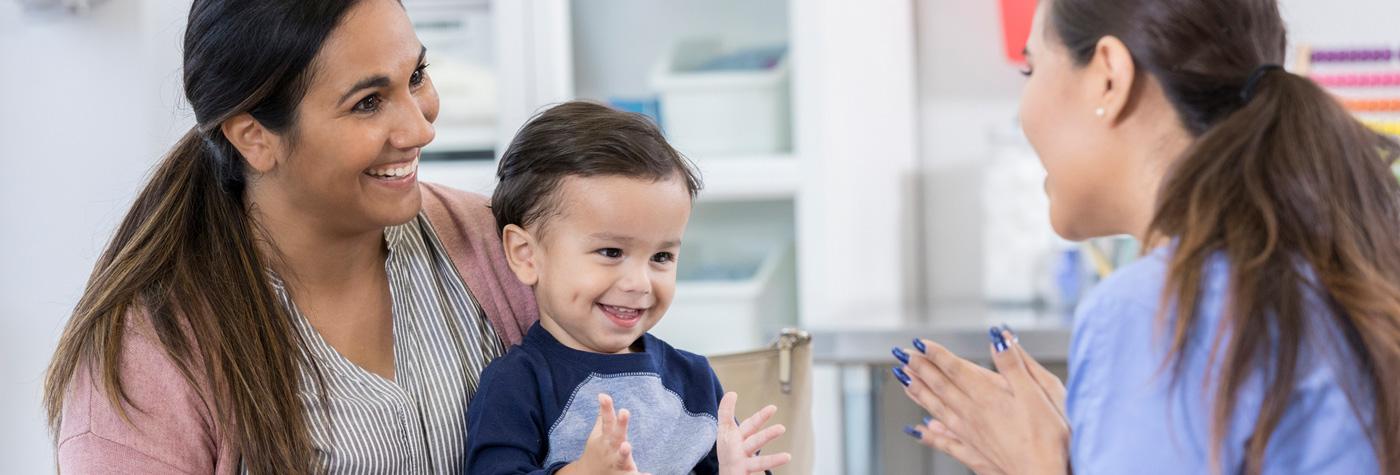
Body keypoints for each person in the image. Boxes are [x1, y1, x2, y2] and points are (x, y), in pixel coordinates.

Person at [890, 0, 1400, 473]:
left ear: (1109, 78)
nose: (1022, 107)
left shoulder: (1154, 312)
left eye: (1031, 68)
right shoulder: (1324, 270)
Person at [43, 0, 538, 472]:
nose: (419, 128)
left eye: (415, 77)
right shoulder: (148, 359)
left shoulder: (500, 246)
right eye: (368, 103)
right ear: (253, 137)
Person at [464, 101, 791, 475]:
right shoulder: (518, 384)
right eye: (611, 252)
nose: (639, 283)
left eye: (662, 257)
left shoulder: (694, 380)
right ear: (526, 255)